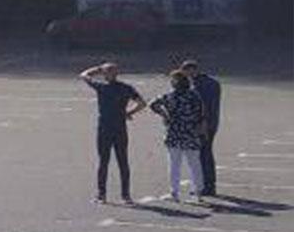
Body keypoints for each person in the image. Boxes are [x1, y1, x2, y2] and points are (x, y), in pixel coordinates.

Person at [77, 63, 143, 203]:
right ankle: (126, 195)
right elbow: (141, 103)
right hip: (120, 127)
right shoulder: (126, 88)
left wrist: (97, 68)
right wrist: (128, 112)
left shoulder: (102, 87)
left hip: (105, 128)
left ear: (106, 74)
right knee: (123, 161)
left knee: (103, 162)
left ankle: (102, 194)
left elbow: (84, 75)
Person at [148, 71, 208, 203]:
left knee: (174, 164)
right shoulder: (194, 95)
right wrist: (200, 128)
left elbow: (153, 104)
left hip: (174, 133)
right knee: (194, 164)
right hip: (190, 133)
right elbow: (201, 113)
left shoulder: (170, 96)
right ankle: (198, 192)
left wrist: (164, 115)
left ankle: (174, 192)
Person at [180, 59, 222, 196]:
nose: (186, 76)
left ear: (192, 70)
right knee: (206, 153)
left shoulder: (199, 85)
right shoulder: (213, 82)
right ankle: (208, 185)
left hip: (203, 124)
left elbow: (202, 106)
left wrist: (200, 123)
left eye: (186, 72)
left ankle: (205, 186)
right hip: (212, 123)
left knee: (203, 155)